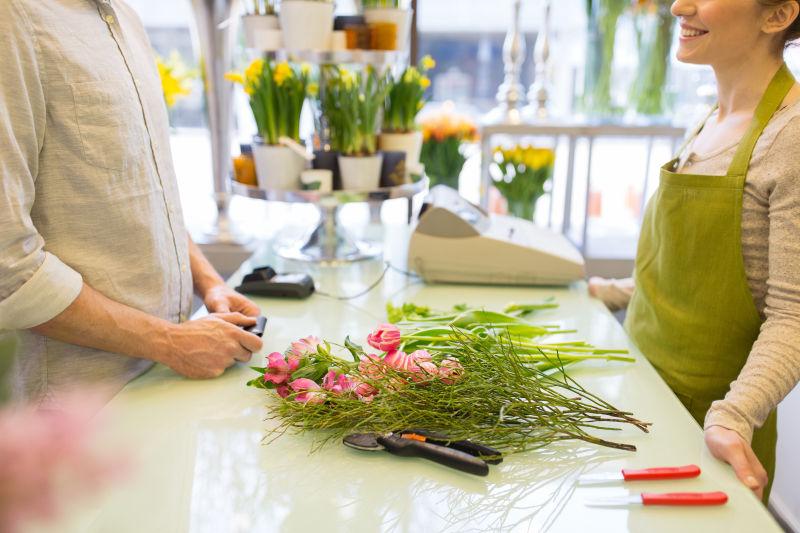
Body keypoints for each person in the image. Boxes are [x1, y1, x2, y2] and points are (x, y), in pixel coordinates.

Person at [0, 0, 263, 405]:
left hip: (162, 377)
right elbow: (8, 266)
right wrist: (171, 343)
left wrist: (210, 283)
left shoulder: (124, 17)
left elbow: (147, 195)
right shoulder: (12, 19)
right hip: (75, 410)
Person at [590, 0, 800, 502]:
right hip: (642, 395)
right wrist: (610, 291)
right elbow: (685, 268)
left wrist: (734, 418)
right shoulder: (710, 119)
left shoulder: (791, 137)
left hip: (709, 429)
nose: (679, 5)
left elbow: (793, 315)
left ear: (777, 16)